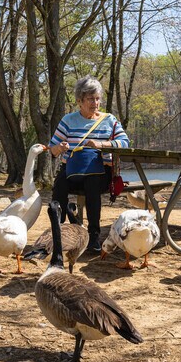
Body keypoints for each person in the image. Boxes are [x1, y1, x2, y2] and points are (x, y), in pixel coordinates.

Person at [48, 76, 129, 251]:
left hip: (100, 171)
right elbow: (52, 149)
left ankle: (93, 236)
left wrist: (102, 145)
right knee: (59, 185)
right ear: (79, 101)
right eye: (90, 99)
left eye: (97, 98)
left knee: (92, 183)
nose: (95, 103)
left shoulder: (109, 120)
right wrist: (60, 147)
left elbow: (125, 143)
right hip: (72, 170)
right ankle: (58, 233)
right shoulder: (68, 120)